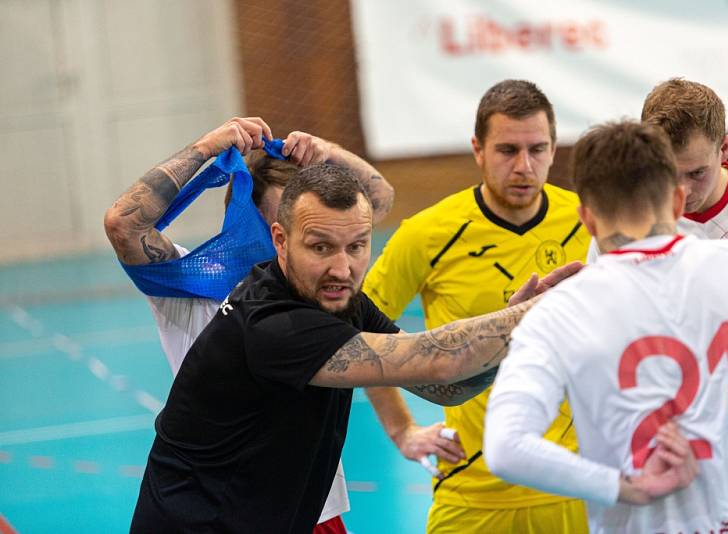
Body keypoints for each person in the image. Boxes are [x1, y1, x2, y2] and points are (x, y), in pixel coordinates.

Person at [128, 163, 582, 532]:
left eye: (357, 246)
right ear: (280, 242)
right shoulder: (273, 325)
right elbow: (441, 359)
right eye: (321, 247)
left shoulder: (342, 300)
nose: (342, 268)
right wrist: (535, 314)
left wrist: (512, 339)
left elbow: (446, 389)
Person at [484, 119, 728, 533]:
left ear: (588, 219)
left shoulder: (560, 311)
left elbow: (507, 448)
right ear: (675, 202)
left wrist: (628, 487)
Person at [103, 116, 413, 533]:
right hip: (221, 515)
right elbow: (125, 223)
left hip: (311, 509)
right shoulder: (191, 285)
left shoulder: (321, 286)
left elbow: (378, 196)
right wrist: (207, 146)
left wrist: (325, 152)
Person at [362, 79, 590, 532]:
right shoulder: (427, 233)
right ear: (477, 150)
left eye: (537, 149)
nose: (525, 166)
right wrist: (403, 431)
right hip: (473, 490)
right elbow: (360, 328)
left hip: (577, 485)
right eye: (507, 150)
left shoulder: (591, 220)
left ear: (553, 148)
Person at [587, 78, 728, 500]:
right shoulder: (622, 223)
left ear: (725, 148)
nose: (682, 192)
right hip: (673, 447)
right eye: (670, 175)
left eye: (697, 173)